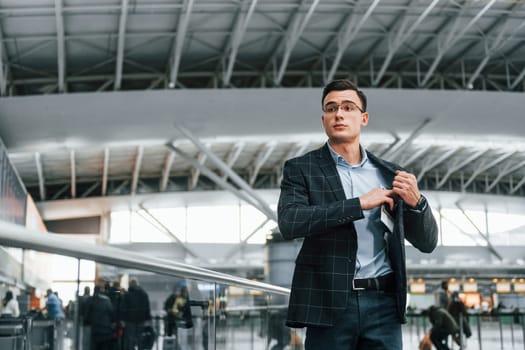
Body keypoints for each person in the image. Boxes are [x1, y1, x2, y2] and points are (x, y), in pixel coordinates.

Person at [277, 78, 438, 350]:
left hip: (383, 303)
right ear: (323, 119)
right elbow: (290, 222)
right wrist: (358, 204)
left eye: (348, 107)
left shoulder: (390, 173)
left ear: (363, 118)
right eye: (331, 108)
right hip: (329, 304)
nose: (339, 113)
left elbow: (427, 242)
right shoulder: (301, 169)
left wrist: (416, 202)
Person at [121, 278, 152, 350]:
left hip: (129, 320)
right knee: (140, 337)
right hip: (141, 319)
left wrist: (123, 319)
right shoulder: (144, 294)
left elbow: (123, 308)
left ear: (130, 284)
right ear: (137, 283)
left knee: (130, 339)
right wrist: (148, 318)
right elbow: (147, 307)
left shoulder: (127, 295)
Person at [85, 285, 115, 350]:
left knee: (94, 346)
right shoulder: (106, 300)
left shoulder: (90, 300)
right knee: (104, 346)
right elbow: (111, 312)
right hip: (106, 328)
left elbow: (87, 314)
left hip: (95, 328)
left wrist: (87, 322)